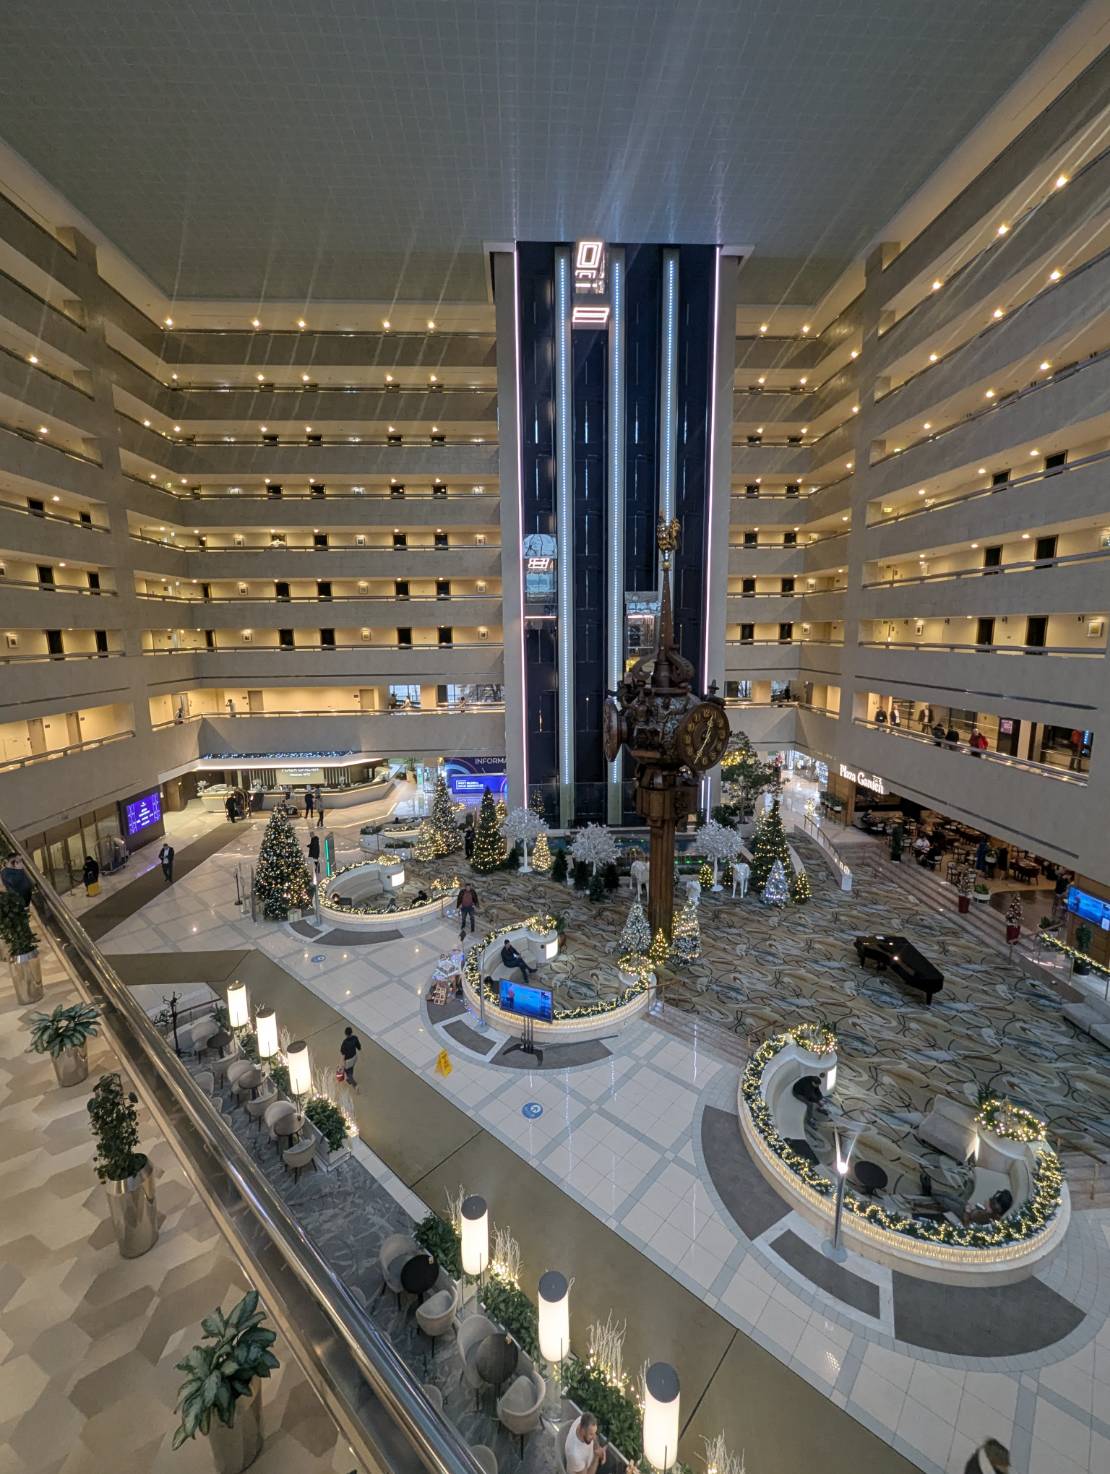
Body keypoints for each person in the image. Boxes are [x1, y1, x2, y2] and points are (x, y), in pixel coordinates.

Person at [910, 1174, 1013, 1226]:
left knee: (946, 1201)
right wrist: (974, 1207)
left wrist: (968, 1211)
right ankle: (930, 1191)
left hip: (963, 1213)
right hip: (969, 1208)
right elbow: (981, 1209)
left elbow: (967, 1224)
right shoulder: (991, 1213)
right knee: (950, 1195)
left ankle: (929, 1191)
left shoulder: (986, 1217)